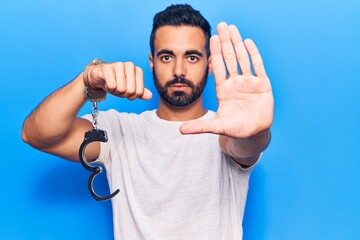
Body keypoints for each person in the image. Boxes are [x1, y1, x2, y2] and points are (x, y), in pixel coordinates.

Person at [22, 4, 273, 240]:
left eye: (192, 57)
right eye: (166, 57)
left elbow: (246, 146)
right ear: (152, 62)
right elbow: (38, 135)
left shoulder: (225, 132)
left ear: (209, 64)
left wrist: (254, 132)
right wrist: (86, 80)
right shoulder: (120, 131)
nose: (178, 70)